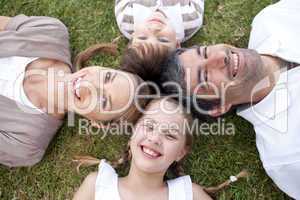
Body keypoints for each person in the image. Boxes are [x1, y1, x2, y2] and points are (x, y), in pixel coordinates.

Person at [157, 0, 300, 198]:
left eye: (204, 52)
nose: (219, 57)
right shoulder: (287, 154)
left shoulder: (272, 19)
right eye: (205, 77)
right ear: (219, 107)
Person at [0, 15, 149, 167]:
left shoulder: (25, 145)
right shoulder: (50, 32)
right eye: (107, 77)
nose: (90, 84)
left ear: (98, 124)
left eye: (103, 101)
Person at [72, 98, 213, 200]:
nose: (154, 138)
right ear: (133, 131)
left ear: (180, 153)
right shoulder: (97, 185)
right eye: (149, 126)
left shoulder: (189, 194)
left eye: (170, 135)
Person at [115, 0, 205, 49]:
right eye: (163, 40)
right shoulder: (191, 20)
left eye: (142, 37)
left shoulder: (127, 20)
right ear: (177, 45)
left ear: (132, 39)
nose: (154, 28)